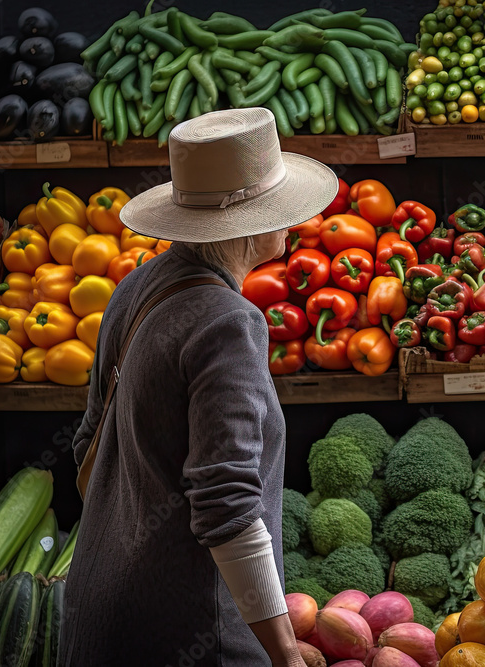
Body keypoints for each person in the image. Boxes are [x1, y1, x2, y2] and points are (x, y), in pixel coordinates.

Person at [59, 108, 337, 666]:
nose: (294, 222)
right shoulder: (228, 322)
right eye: (278, 208)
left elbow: (87, 443)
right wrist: (286, 657)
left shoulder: (136, 285)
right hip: (189, 632)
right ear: (248, 222)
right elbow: (226, 505)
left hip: (97, 607)